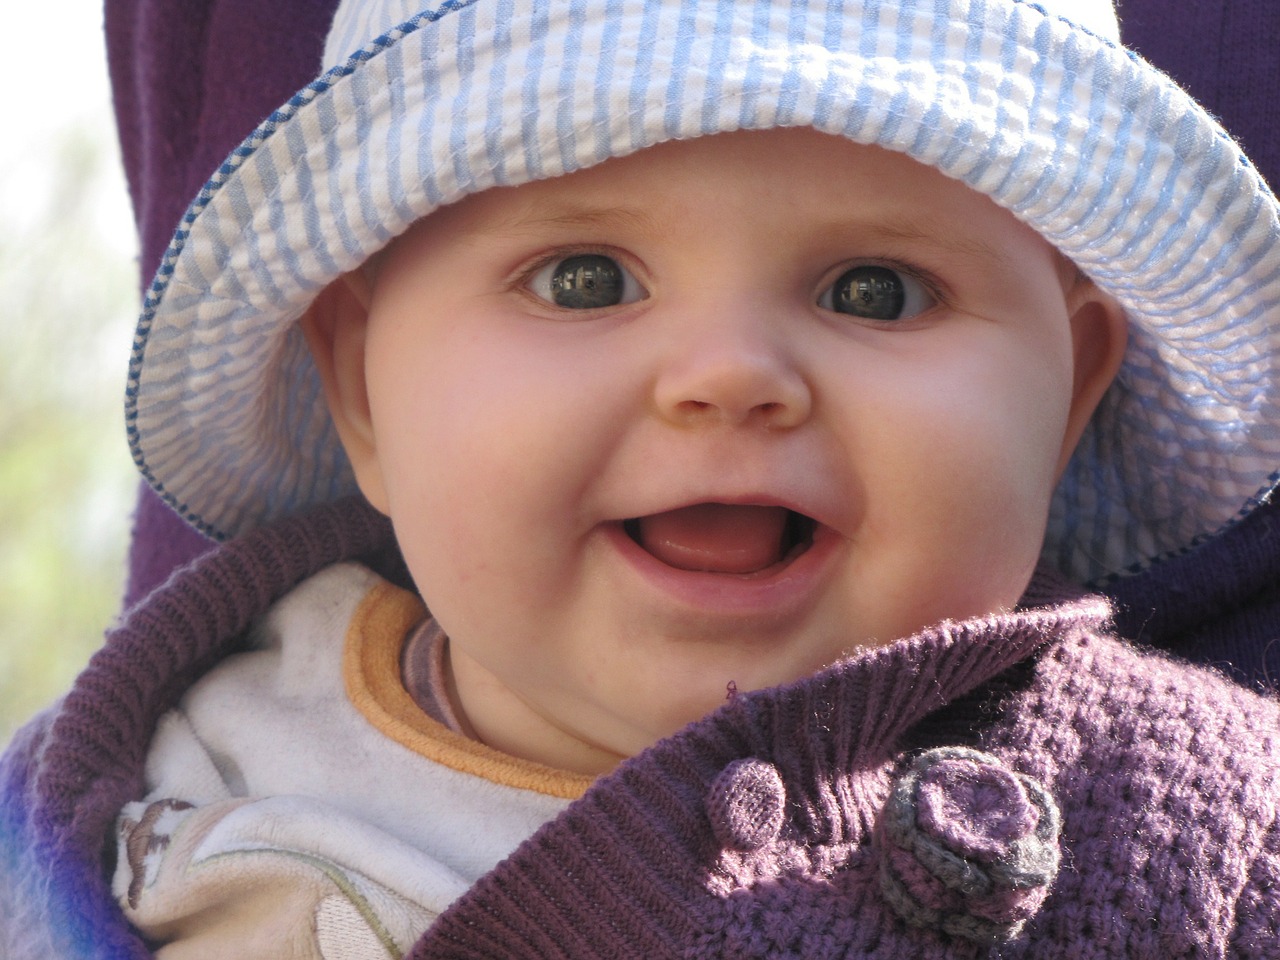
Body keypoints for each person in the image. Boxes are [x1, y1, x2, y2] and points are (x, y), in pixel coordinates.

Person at [4, 0, 1280, 957]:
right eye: (583, 279)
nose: (727, 377)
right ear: (359, 390)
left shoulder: (1185, 832)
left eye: (874, 292)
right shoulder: (153, 774)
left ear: (1068, 397)